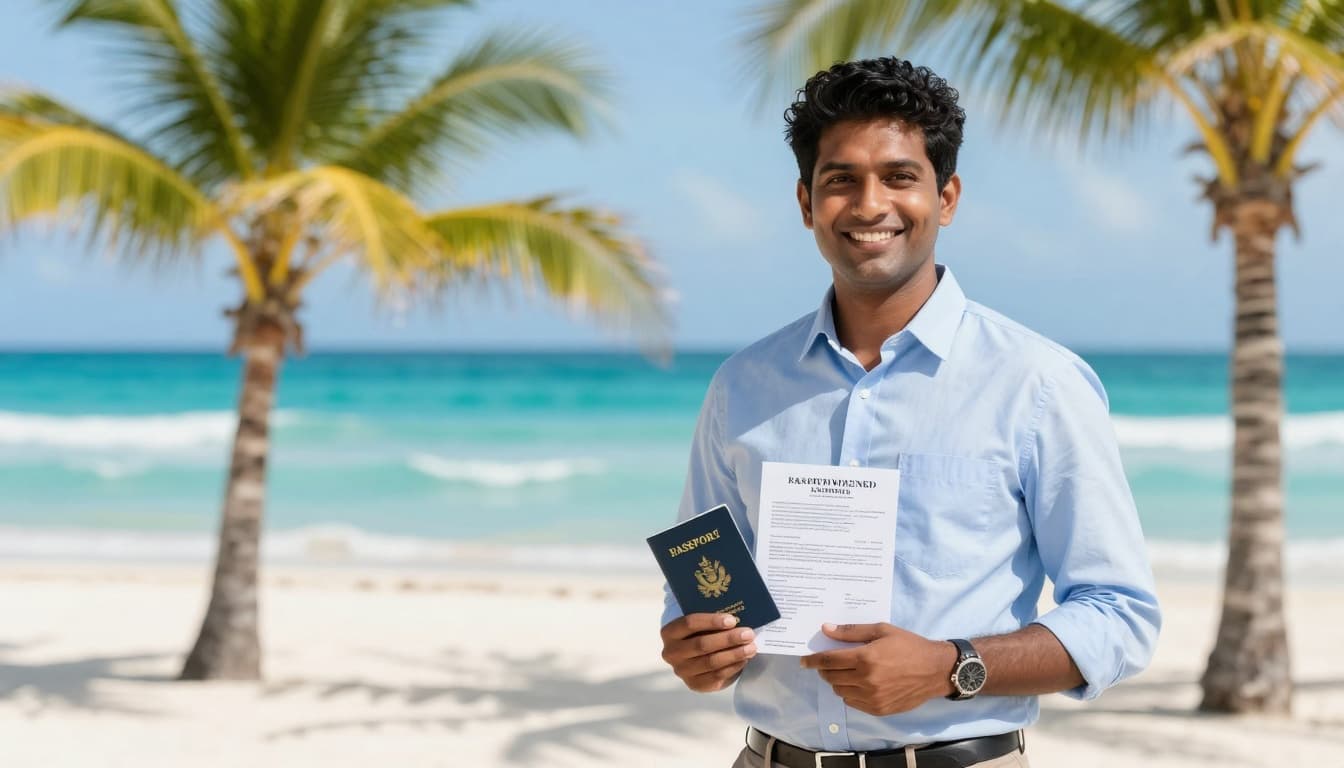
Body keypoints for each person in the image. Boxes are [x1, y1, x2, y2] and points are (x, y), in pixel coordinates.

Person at [657, 57, 1162, 768]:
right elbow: (702, 594)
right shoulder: (742, 388)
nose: (869, 205)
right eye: (841, 181)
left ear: (946, 197)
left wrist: (951, 665)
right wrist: (697, 647)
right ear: (806, 203)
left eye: (899, 177)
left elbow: (1120, 615)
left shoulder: (1037, 383)